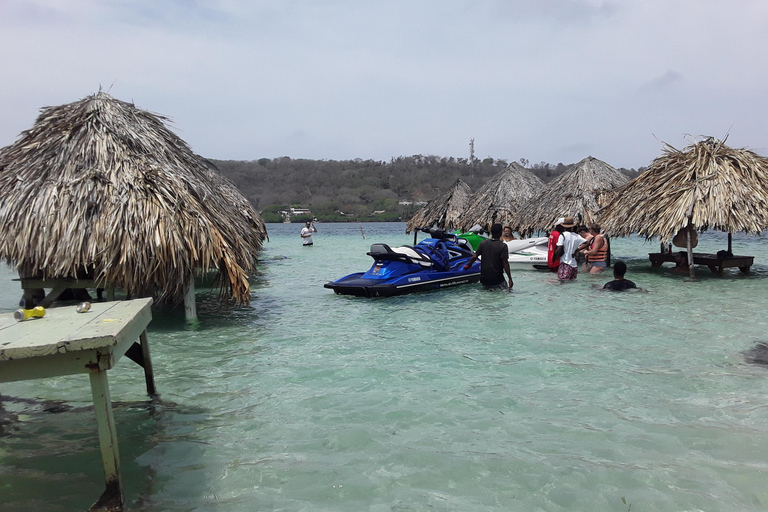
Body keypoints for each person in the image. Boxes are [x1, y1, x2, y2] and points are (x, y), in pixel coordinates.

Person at [463, 223, 513, 291]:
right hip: (497, 279)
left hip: (484, 280)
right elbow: (505, 263)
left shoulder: (483, 243)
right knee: (508, 292)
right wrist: (510, 278)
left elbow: (474, 256)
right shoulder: (503, 246)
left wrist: (468, 265)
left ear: (491, 232)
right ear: (501, 233)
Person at [553, 216, 586, 281]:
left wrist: (554, 257)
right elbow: (588, 243)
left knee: (563, 283)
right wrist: (577, 250)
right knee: (572, 282)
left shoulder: (562, 235)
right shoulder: (577, 236)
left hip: (565, 263)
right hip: (574, 265)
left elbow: (559, 248)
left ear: (564, 226)